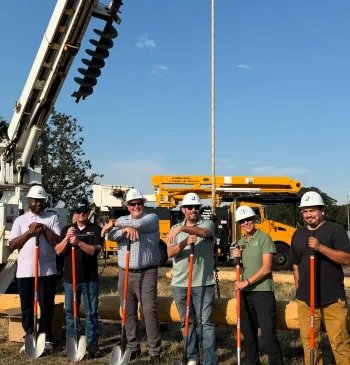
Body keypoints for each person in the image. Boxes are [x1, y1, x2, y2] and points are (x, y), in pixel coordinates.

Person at [102, 188, 163, 364]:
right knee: (128, 311)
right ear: (127, 206)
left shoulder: (151, 219)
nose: (136, 206)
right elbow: (111, 237)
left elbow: (137, 226)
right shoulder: (123, 220)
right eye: (132, 204)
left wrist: (115, 224)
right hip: (125, 272)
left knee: (149, 311)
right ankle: (132, 347)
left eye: (139, 203)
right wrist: (124, 228)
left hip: (147, 272)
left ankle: (155, 351)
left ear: (143, 204)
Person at [290, 191, 350, 365]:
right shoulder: (298, 234)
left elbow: (347, 259)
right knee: (310, 344)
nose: (308, 215)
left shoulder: (335, 230)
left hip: (332, 301)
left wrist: (321, 248)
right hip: (306, 302)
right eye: (305, 211)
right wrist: (299, 287)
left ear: (322, 211)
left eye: (312, 210)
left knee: (340, 344)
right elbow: (295, 265)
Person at [167, 192, 218, 365]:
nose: (193, 210)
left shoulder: (207, 223)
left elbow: (204, 232)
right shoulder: (175, 230)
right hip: (180, 284)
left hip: (203, 283)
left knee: (206, 323)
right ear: (183, 210)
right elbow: (169, 253)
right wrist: (184, 242)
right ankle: (191, 358)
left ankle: (210, 361)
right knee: (187, 322)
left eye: (197, 207)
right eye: (190, 207)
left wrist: (183, 229)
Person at [9, 185, 60, 354]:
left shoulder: (52, 218)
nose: (38, 203)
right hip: (25, 272)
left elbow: (56, 241)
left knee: (46, 306)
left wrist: (43, 228)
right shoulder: (20, 220)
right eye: (35, 201)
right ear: (29, 202)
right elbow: (12, 245)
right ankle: (30, 335)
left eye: (41, 201)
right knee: (27, 306)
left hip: (47, 272)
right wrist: (29, 233)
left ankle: (45, 337)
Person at [233, 205, 283, 365]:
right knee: (248, 332)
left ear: (255, 219)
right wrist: (236, 258)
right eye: (242, 221)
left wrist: (246, 282)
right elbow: (240, 267)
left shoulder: (264, 238)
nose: (246, 223)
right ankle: (252, 362)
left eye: (249, 219)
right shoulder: (240, 242)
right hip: (245, 293)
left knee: (268, 334)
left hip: (262, 292)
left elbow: (267, 268)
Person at [55, 198, 104, 358]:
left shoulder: (96, 230)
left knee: (91, 312)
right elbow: (58, 251)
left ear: (88, 213)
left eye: (84, 211)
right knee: (70, 311)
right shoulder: (67, 229)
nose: (81, 214)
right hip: (70, 279)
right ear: (74, 213)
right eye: (78, 212)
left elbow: (94, 251)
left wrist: (79, 242)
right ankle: (72, 341)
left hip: (89, 279)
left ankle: (92, 344)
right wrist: (67, 239)